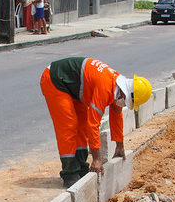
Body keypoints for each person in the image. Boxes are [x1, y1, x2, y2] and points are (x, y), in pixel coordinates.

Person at [40, 57, 152, 188]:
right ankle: (69, 173)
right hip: (55, 79)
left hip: (71, 85)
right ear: (127, 94)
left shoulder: (117, 89)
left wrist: (120, 146)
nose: (126, 104)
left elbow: (116, 118)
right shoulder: (105, 87)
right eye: (129, 102)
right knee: (68, 125)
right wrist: (97, 159)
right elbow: (93, 124)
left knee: (81, 125)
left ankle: (81, 168)